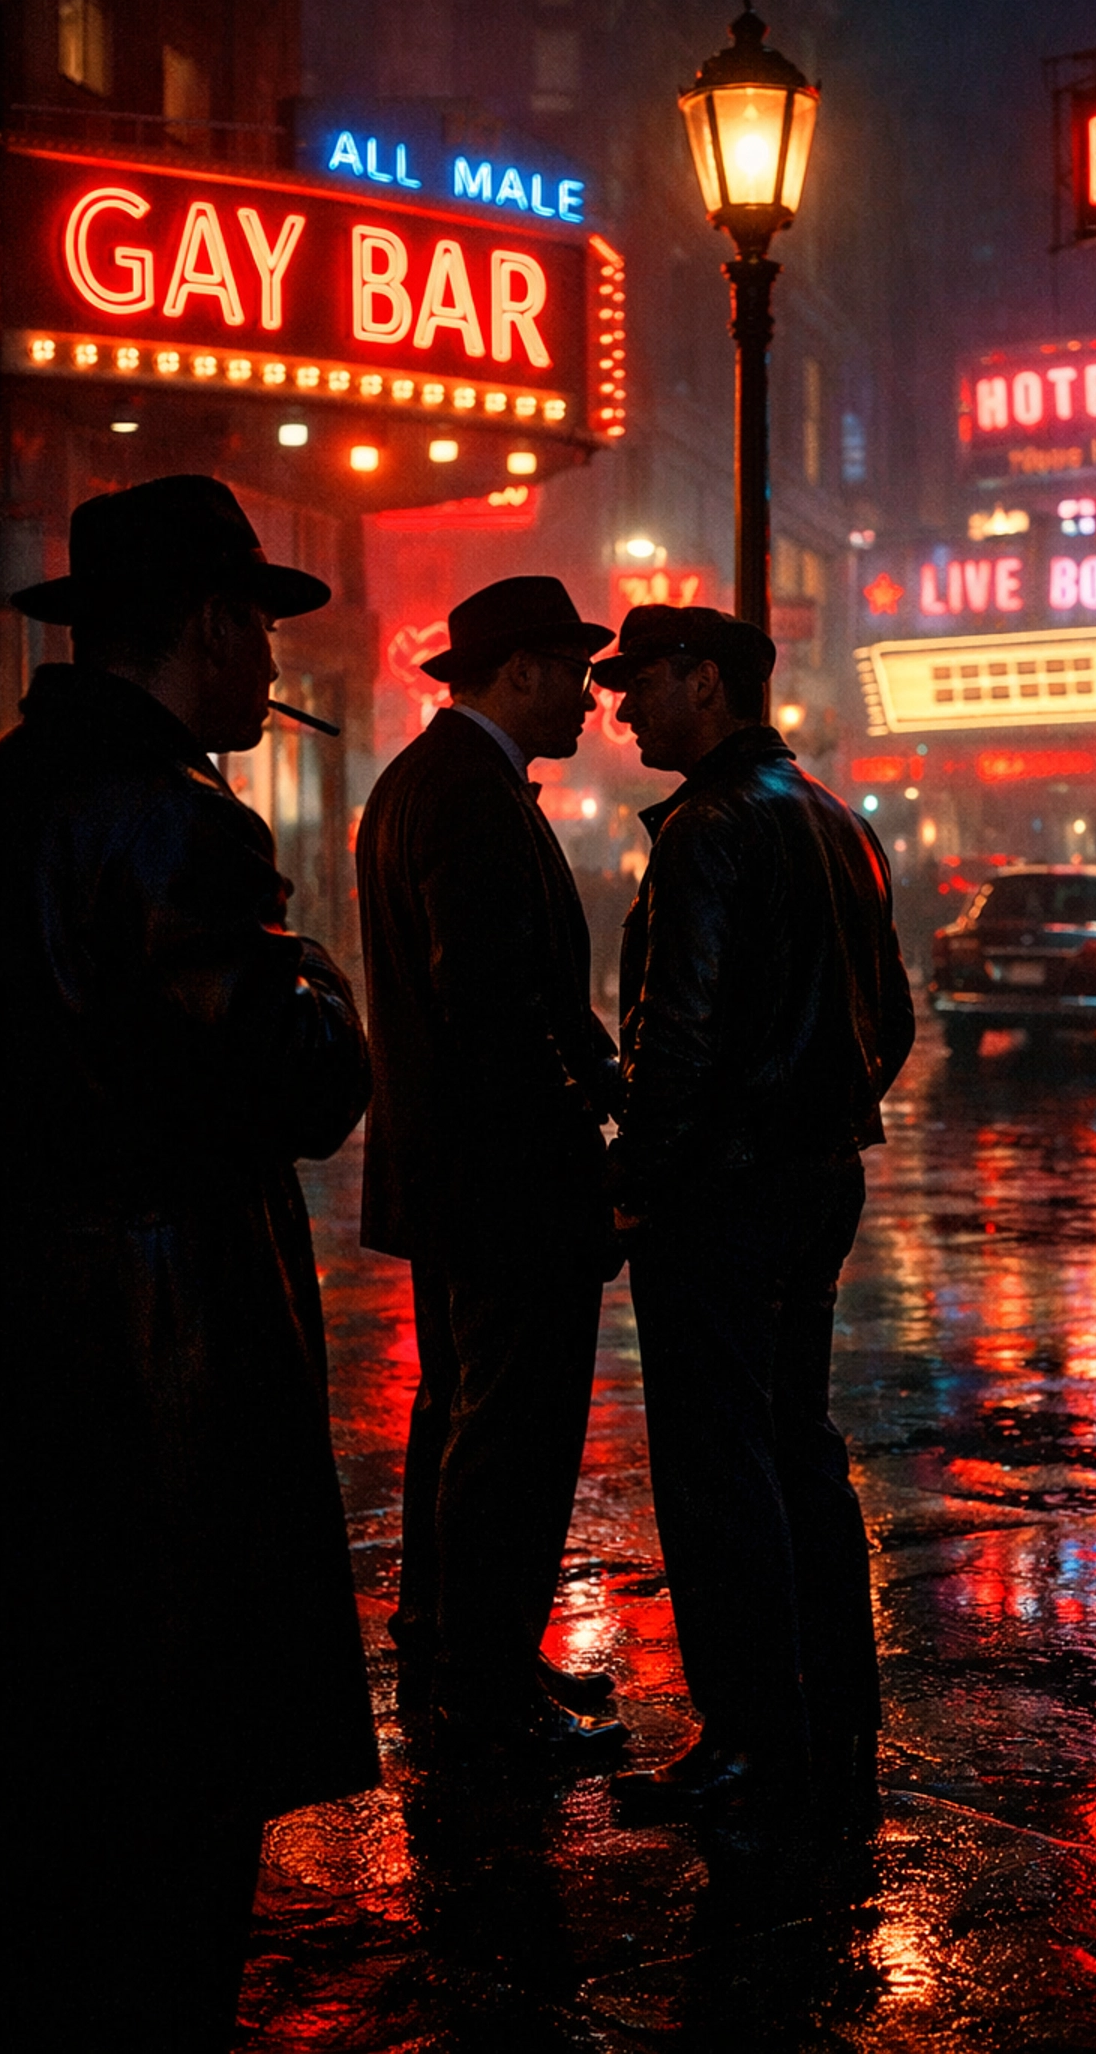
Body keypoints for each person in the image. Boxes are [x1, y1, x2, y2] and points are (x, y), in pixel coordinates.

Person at [0, 476, 377, 2053]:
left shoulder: (11, 791)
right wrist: (325, 987)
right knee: (174, 1799)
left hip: (29, 1351)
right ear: (213, 628)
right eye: (261, 633)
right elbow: (297, 1086)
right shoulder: (181, 822)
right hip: (162, 1361)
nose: (273, 670)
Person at [601, 604, 915, 1841]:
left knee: (718, 1464)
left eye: (641, 681)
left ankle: (745, 1734)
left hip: (720, 1195)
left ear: (706, 681)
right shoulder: (838, 820)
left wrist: (636, 1178)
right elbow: (889, 1019)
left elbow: (676, 1040)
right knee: (796, 1443)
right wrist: (821, 1116)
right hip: (814, 1179)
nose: (624, 705)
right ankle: (832, 1708)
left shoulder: (710, 828)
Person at [357, 575, 628, 1760]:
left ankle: (457, 1650)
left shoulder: (427, 780)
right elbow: (494, 1009)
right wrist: (585, 1143)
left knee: (460, 1418)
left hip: (455, 1176)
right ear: (519, 671)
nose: (589, 700)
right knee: (511, 1435)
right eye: (574, 674)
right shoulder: (470, 794)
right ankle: (487, 1685)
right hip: (506, 1182)